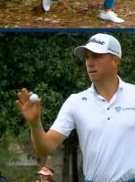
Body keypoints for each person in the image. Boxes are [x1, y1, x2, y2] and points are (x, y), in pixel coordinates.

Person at [16, 33, 135, 182]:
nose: (89, 63)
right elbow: (45, 148)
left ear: (115, 61)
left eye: (96, 56)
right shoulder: (76, 101)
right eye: (87, 57)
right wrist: (34, 124)